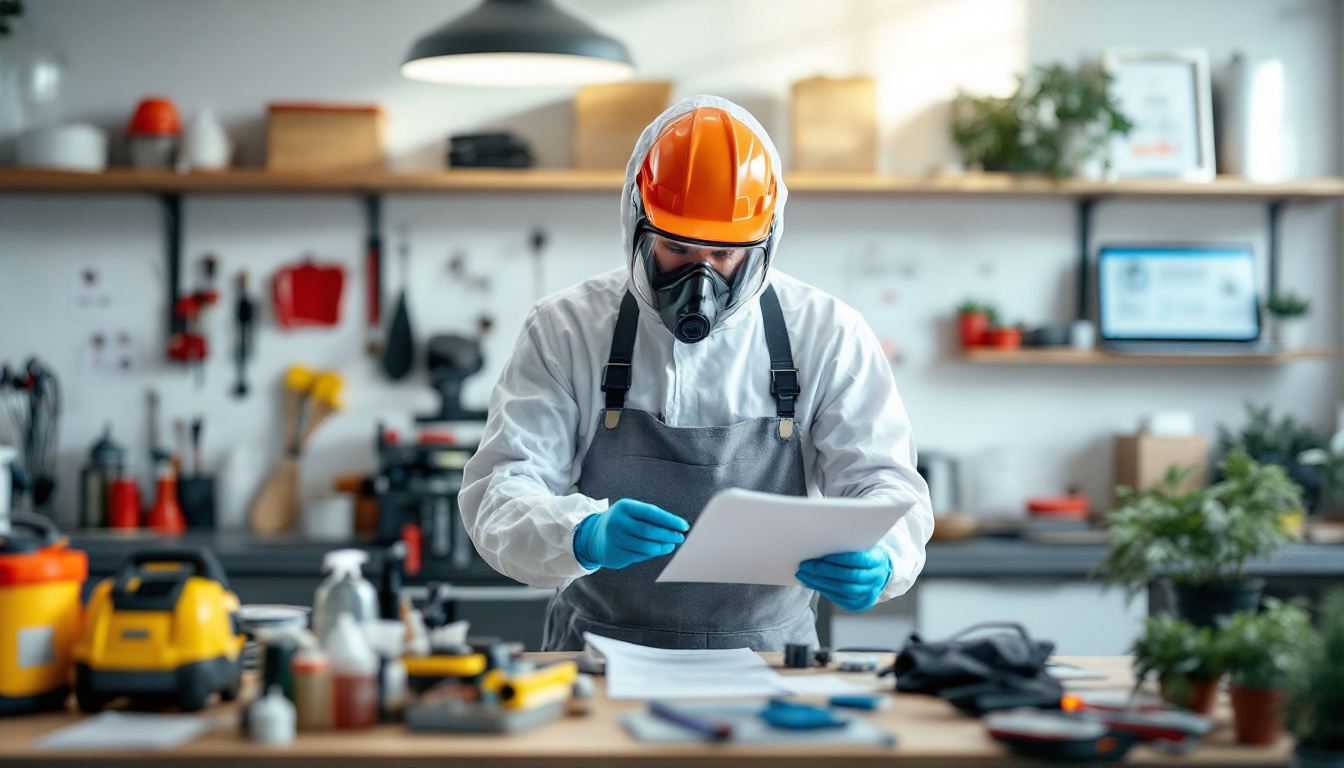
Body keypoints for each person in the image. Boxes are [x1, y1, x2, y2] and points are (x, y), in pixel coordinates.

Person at [459, 95, 933, 652]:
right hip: (596, 662)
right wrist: (580, 534)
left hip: (772, 665)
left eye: (724, 255)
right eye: (677, 248)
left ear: (766, 241)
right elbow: (501, 489)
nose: (699, 279)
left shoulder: (827, 333)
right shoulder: (567, 328)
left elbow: (887, 485)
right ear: (638, 223)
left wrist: (883, 556)